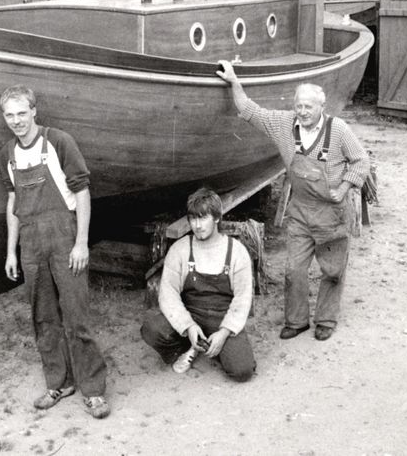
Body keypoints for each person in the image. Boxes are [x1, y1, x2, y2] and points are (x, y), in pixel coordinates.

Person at [216, 61, 370, 341]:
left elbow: (361, 162)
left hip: (332, 213)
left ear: (321, 107)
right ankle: (297, 321)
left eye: (308, 107)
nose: (302, 112)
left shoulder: (339, 130)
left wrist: (345, 187)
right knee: (293, 270)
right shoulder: (284, 124)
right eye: (299, 106)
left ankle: (325, 319)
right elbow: (250, 111)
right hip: (300, 212)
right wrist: (234, 81)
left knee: (333, 271)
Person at [0, 84, 110, 419]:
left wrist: (81, 242)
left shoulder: (59, 142)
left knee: (76, 317)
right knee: (43, 317)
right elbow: (13, 203)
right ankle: (59, 382)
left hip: (64, 238)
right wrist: (11, 252)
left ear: (34, 111)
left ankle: (93, 391)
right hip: (30, 244)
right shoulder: (7, 154)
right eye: (9, 115)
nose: (17, 120)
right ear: (3, 117)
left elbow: (83, 193)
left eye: (22, 112)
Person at [141, 187, 256, 380]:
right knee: (152, 327)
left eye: (203, 218)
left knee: (242, 371)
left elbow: (243, 299)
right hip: (191, 313)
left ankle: (215, 346)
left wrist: (225, 332)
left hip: (222, 317)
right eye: (193, 219)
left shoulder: (237, 252)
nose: (197, 225)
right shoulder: (180, 249)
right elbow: (168, 294)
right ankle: (186, 347)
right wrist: (188, 326)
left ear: (217, 218)